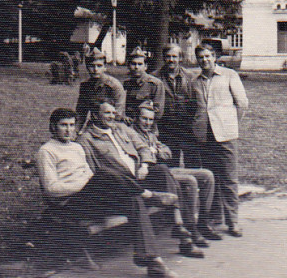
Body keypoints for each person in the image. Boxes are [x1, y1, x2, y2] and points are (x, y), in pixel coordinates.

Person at [37, 107, 180, 278]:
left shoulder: (76, 147)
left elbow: (88, 174)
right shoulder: (47, 151)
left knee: (133, 200)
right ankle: (149, 195)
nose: (68, 130)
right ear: (53, 127)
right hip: (69, 205)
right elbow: (51, 188)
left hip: (88, 198)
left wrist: (91, 183)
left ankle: (152, 260)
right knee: (104, 173)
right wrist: (86, 185)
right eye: (63, 125)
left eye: (72, 125)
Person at [80, 101, 203, 259]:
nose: (112, 116)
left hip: (140, 176)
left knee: (162, 171)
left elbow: (142, 147)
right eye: (107, 113)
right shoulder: (87, 139)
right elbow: (94, 171)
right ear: (95, 115)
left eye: (113, 112)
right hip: (121, 186)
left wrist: (144, 165)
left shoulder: (122, 129)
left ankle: (179, 225)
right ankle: (186, 239)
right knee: (171, 185)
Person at [133, 100, 220, 245]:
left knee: (207, 175)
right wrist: (153, 153)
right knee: (190, 181)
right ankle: (190, 227)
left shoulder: (150, 134)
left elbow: (168, 152)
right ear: (136, 118)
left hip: (165, 169)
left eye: (150, 120)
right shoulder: (132, 133)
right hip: (154, 174)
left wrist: (158, 151)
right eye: (144, 119)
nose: (147, 123)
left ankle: (202, 222)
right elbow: (143, 153)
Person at [190, 43, 249, 237]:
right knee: (211, 178)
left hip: (225, 134)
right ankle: (216, 219)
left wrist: (229, 123)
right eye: (201, 57)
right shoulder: (195, 81)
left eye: (208, 56)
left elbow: (242, 104)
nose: (205, 60)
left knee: (229, 179)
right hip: (204, 136)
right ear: (197, 60)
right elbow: (193, 106)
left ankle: (233, 222)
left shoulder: (229, 75)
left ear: (215, 57)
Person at [157, 43, 200, 167]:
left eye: (174, 56)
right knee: (169, 160)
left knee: (192, 160)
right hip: (165, 126)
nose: (171, 60)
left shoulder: (191, 77)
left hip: (187, 125)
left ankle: (192, 185)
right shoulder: (155, 77)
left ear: (180, 58)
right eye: (168, 56)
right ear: (163, 58)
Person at [75, 47, 126, 129]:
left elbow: (117, 115)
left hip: (113, 126)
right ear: (87, 67)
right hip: (94, 127)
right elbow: (81, 115)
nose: (95, 69)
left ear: (104, 67)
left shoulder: (114, 86)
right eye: (92, 66)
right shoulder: (85, 86)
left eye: (99, 66)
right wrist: (74, 133)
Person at [123, 47, 165, 122]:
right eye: (133, 64)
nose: (136, 67)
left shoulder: (155, 84)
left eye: (140, 64)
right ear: (129, 66)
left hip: (148, 125)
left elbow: (158, 112)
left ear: (145, 66)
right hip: (129, 124)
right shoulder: (127, 83)